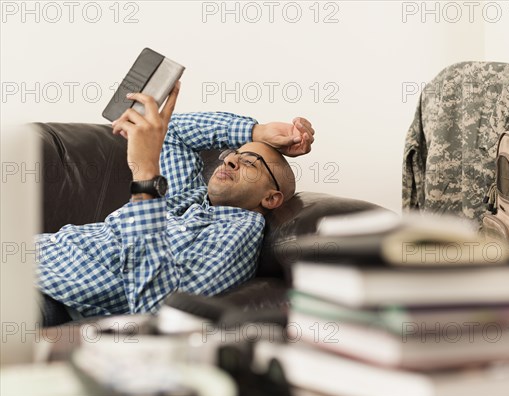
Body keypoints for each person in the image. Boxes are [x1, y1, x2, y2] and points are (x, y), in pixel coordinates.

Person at [35, 82, 315, 318]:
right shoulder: (190, 196)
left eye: (249, 162)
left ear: (271, 198)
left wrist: (146, 176)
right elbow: (172, 132)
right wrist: (256, 132)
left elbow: (156, 307)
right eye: (232, 154)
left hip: (49, 289)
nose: (230, 160)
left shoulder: (239, 231)